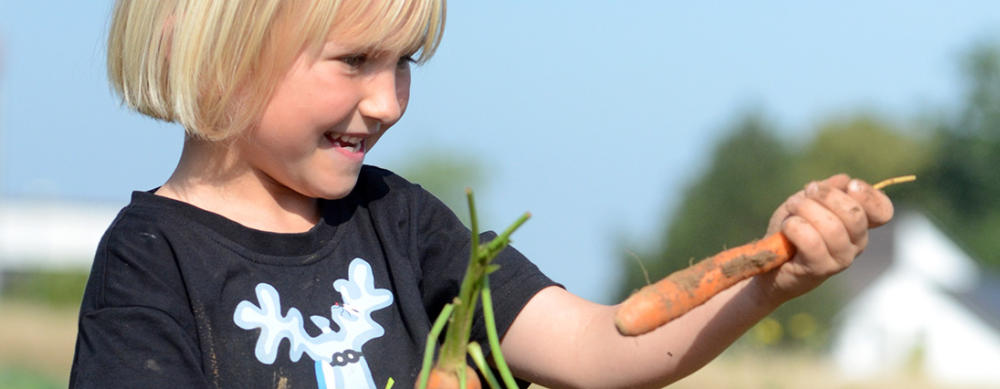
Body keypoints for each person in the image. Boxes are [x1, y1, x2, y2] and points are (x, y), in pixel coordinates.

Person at [70, 1, 894, 388]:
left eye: (404, 66)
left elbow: (599, 348)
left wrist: (772, 277)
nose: (388, 101)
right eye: (355, 62)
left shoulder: (400, 222)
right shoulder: (151, 259)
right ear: (222, 53)